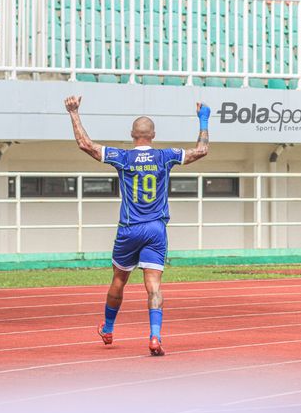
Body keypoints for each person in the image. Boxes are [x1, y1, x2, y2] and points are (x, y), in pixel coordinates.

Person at [64, 95, 210, 356]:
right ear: (153, 135)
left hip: (129, 228)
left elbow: (84, 144)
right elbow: (201, 150)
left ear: (132, 134)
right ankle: (155, 337)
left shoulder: (123, 157)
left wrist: (74, 112)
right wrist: (203, 118)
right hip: (156, 229)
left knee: (119, 279)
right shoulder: (166, 156)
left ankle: (108, 329)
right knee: (153, 285)